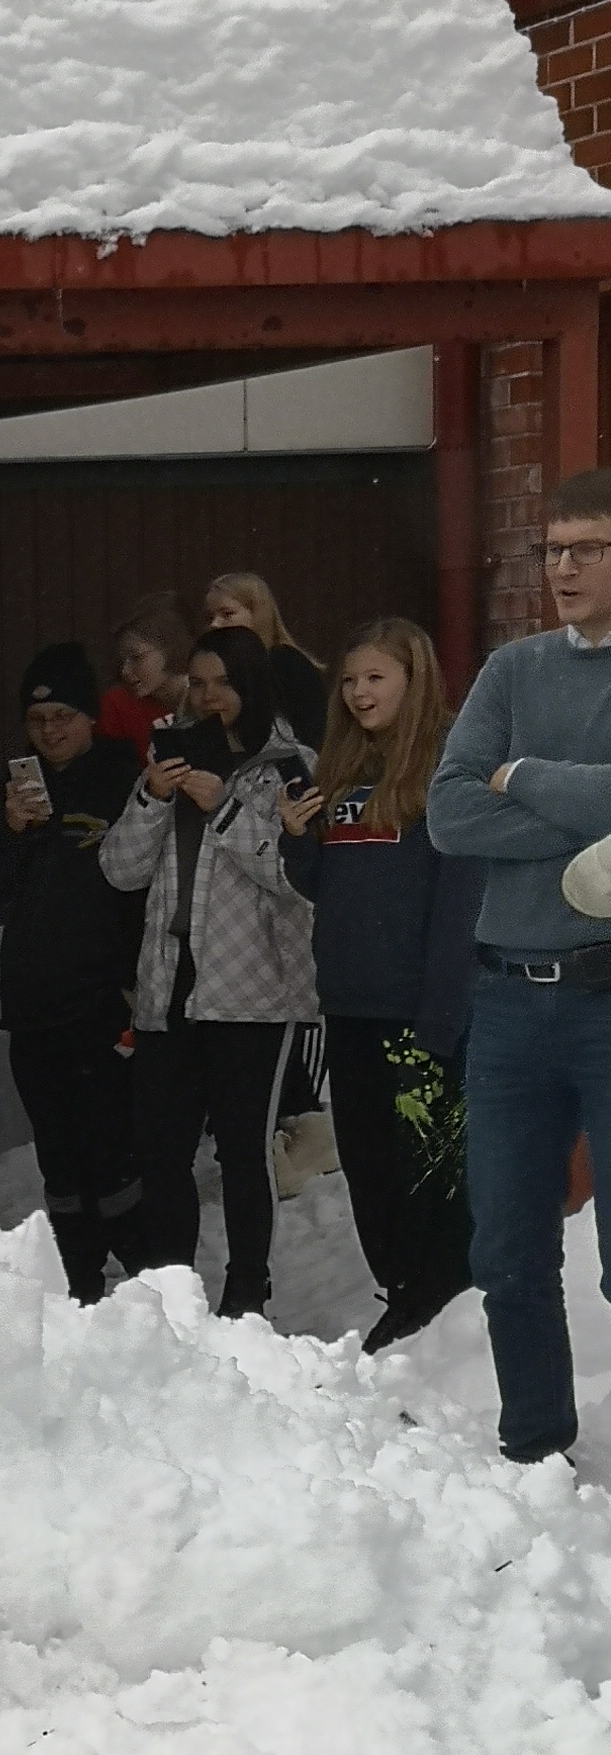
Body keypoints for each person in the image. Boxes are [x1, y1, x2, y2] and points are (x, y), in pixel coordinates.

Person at [426, 470, 611, 1463]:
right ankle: (536, 1450)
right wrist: (588, 808)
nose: (564, 567)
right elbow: (449, 813)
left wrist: (522, 774)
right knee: (506, 1251)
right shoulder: (512, 670)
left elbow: (489, 792)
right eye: (553, 549)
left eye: (588, 548)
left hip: (608, 994)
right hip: (506, 999)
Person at [96, 625, 319, 1321]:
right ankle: (173, 1293)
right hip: (170, 982)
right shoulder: (170, 754)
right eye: (198, 682)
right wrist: (152, 797)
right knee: (162, 1150)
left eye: (224, 682)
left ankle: (247, 1292)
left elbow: (294, 878)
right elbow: (119, 870)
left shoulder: (290, 766)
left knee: (244, 1152)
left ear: (253, 686)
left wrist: (222, 806)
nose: (209, 695)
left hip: (253, 990)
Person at [277, 617, 481, 1352]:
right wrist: (296, 838)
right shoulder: (340, 766)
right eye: (349, 680)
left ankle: (436, 1314)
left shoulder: (451, 765)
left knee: (429, 1176)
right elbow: (323, 886)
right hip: (350, 1008)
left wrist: (440, 1017)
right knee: (369, 1171)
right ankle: (402, 1297)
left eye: (375, 678)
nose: (359, 693)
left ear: (413, 679)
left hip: (421, 1014)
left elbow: (461, 905)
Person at [0, 640, 142, 1302]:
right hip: (32, 1003)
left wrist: (138, 987)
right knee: (59, 1156)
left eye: (63, 716)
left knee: (112, 1150)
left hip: (103, 1001)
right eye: (37, 720)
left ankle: (146, 1285)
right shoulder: (16, 790)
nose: (50, 731)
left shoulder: (123, 779)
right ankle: (80, 1282)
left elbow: (144, 889)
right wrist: (10, 831)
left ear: (90, 715)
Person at [203, 572, 330, 748]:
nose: (214, 624)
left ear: (257, 615)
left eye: (227, 614)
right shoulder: (215, 669)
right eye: (210, 617)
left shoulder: (287, 664)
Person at [97, 602, 194, 760]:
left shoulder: (200, 701)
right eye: (123, 661)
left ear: (169, 648)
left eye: (136, 657)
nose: (125, 671)